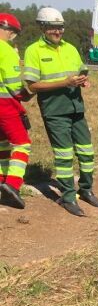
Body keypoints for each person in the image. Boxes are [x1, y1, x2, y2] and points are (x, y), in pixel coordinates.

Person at [23, 7, 98, 217]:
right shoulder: (33, 51)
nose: (57, 32)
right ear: (42, 27)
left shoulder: (71, 49)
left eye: (60, 28)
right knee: (64, 155)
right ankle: (67, 197)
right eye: (52, 28)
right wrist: (64, 82)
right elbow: (32, 86)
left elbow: (81, 71)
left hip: (76, 108)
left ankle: (86, 190)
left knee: (87, 152)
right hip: (55, 111)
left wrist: (84, 81)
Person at [0, 12, 32, 209]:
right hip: (5, 105)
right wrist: (26, 94)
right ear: (8, 31)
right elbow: (13, 84)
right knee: (22, 144)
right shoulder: (7, 50)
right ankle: (12, 185)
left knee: (2, 145)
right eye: (14, 34)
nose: (14, 37)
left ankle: (2, 180)